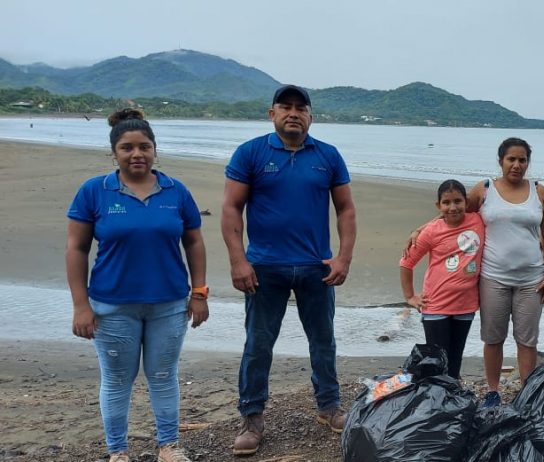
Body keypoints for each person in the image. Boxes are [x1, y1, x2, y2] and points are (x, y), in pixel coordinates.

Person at [67, 109, 208, 462]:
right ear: (114, 152)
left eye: (144, 146)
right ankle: (117, 452)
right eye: (127, 147)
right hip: (112, 306)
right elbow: (76, 249)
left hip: (169, 305)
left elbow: (194, 242)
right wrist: (81, 306)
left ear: (155, 150)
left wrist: (199, 293)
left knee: (163, 376)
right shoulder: (94, 191)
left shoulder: (176, 191)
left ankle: (168, 447)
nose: (137, 154)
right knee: (117, 381)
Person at [222, 85, 356, 455]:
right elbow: (232, 208)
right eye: (286, 107)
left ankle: (329, 406)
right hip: (265, 267)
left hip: (317, 266)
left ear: (311, 116)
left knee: (323, 340)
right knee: (258, 344)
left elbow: (345, 209)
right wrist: (238, 260)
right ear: (272, 114)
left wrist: (343, 258)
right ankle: (252, 417)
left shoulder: (328, 155)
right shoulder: (250, 153)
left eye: (301, 108)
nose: (293, 113)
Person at [471, 137, 544, 407]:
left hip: (532, 279)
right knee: (493, 337)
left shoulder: (539, 191)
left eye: (522, 160)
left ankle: (526, 393)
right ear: (501, 161)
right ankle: (492, 391)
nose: (517, 165)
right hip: (493, 276)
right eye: (511, 159)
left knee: (527, 340)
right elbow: (456, 214)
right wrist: (422, 231)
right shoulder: (485, 189)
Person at [400, 179, 485, 380]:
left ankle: (452, 394)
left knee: (454, 361)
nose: (453, 207)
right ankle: (436, 396)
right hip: (436, 305)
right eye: (446, 203)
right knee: (437, 361)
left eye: (457, 201)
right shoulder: (431, 231)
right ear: (438, 205)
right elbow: (406, 263)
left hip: (465, 305)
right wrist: (410, 296)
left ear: (466, 202)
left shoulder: (478, 221)